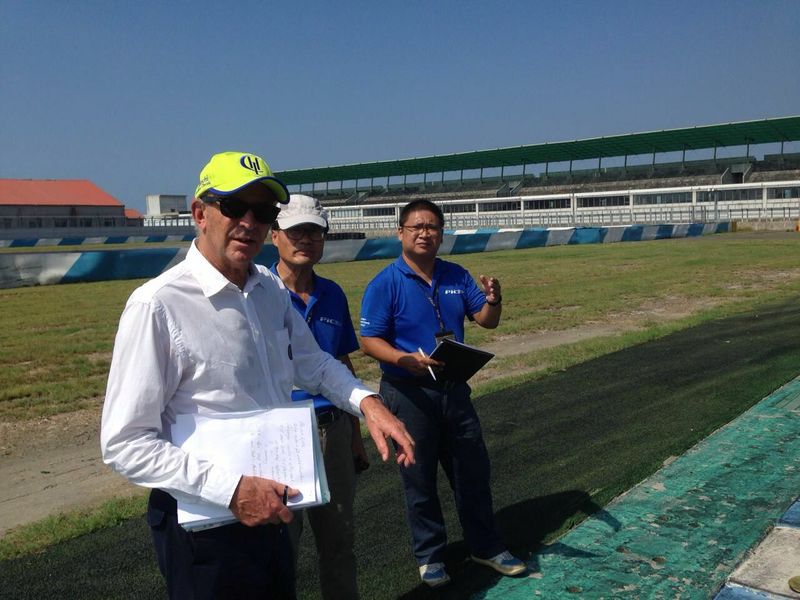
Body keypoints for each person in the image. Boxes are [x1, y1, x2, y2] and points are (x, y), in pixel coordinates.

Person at [100, 151, 414, 600]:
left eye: (263, 211)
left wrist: (367, 402)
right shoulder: (157, 304)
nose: (249, 222)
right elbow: (125, 443)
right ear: (200, 214)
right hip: (206, 525)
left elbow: (313, 363)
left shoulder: (268, 287)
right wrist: (231, 491)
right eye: (234, 206)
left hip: (272, 506)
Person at [359, 199, 525, 588]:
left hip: (453, 389)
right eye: (416, 227)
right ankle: (431, 556)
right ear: (400, 232)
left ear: (441, 232)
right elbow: (369, 340)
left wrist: (494, 299)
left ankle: (486, 546)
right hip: (408, 393)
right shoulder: (385, 283)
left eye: (432, 227)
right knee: (419, 479)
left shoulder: (456, 274)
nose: (424, 233)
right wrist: (404, 360)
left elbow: (486, 321)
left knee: (472, 472)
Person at [269, 193, 368, 599]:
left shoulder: (333, 293)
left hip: (334, 430)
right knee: (279, 549)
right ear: (275, 236)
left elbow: (342, 362)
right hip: (280, 436)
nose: (306, 240)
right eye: (296, 232)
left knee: (339, 542)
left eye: (314, 232)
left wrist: (356, 436)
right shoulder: (258, 292)